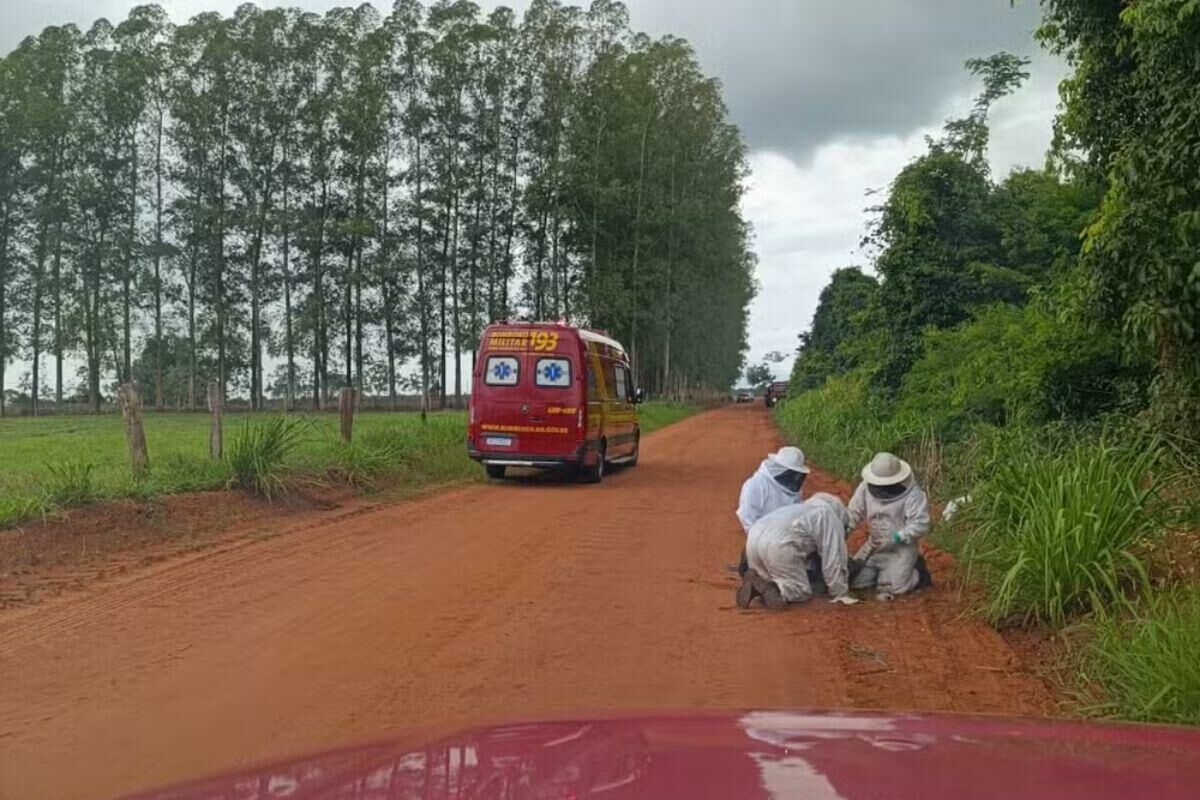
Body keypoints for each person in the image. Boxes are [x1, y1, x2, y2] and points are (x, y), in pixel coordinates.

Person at [736, 493, 859, 609]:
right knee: (800, 590)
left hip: (753, 539)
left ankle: (757, 583)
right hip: (780, 545)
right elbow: (833, 558)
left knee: (770, 575)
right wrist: (840, 593)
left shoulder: (797, 509)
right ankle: (776, 589)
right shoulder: (828, 516)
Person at [847, 452, 933, 600]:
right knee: (855, 581)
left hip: (901, 548)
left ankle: (918, 573)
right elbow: (853, 512)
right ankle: (886, 574)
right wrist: (845, 530)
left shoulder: (913, 494)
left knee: (893, 588)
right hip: (874, 545)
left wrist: (897, 537)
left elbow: (920, 523)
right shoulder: (865, 488)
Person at [734, 446, 810, 575]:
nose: (796, 479)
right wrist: (764, 540)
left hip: (786, 541)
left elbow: (796, 515)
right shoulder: (756, 484)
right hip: (761, 541)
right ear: (781, 469)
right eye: (792, 473)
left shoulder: (794, 489)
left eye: (798, 475)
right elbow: (746, 516)